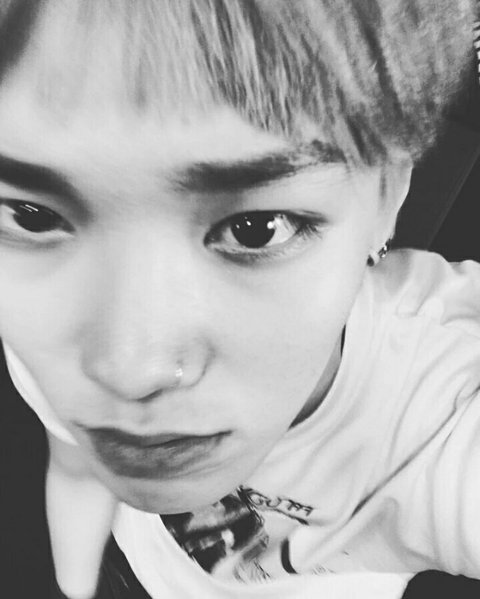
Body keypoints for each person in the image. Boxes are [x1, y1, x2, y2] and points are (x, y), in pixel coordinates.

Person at [0, 0, 479, 597]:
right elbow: (74, 466)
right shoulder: (40, 323)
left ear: (387, 197)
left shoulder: (445, 410)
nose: (128, 372)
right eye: (33, 216)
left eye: (255, 230)